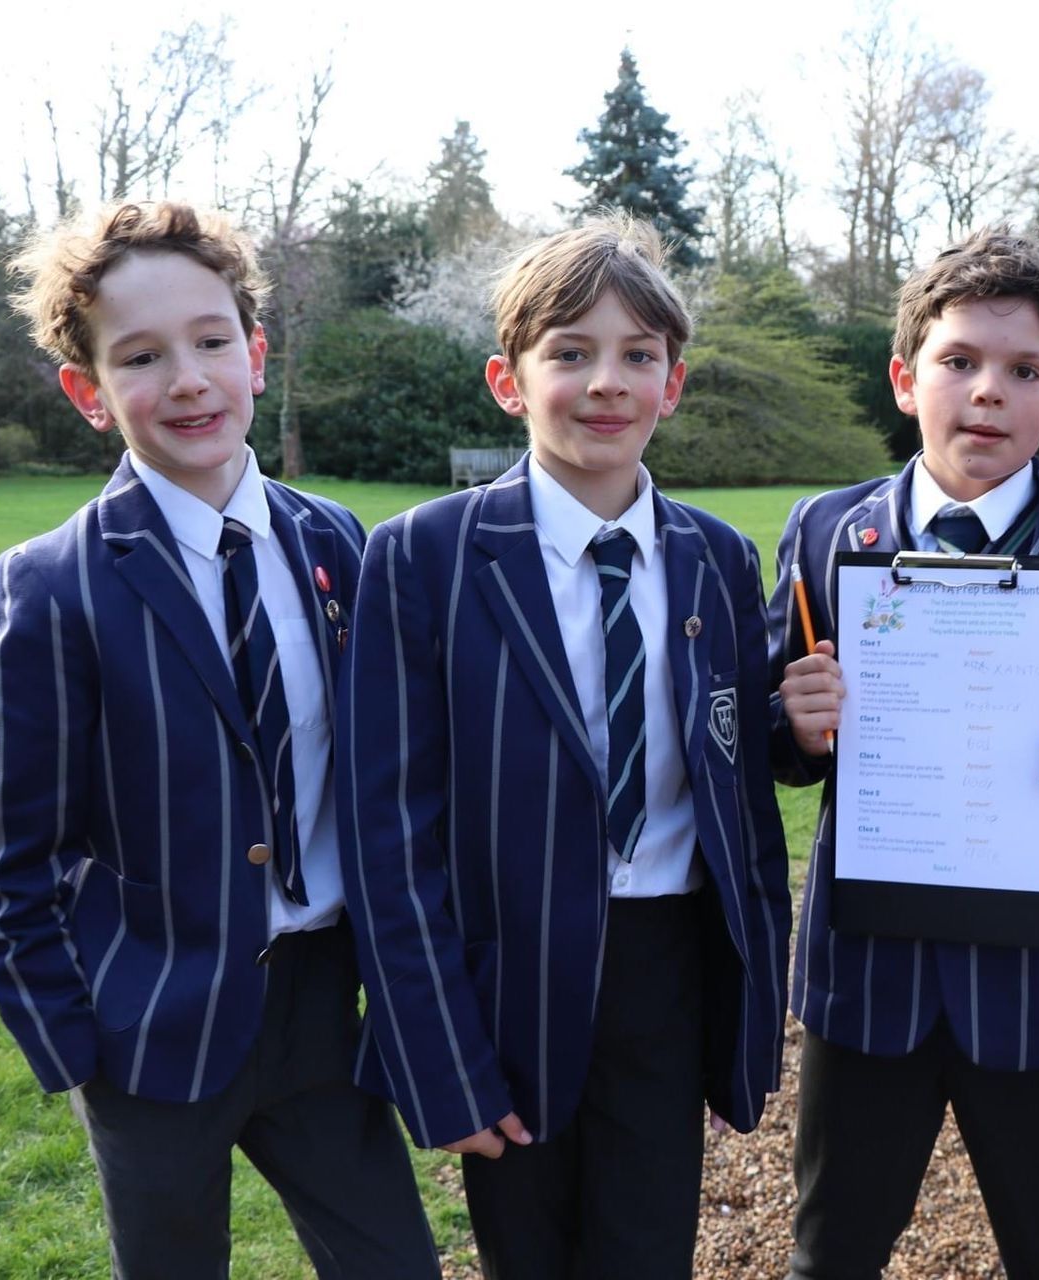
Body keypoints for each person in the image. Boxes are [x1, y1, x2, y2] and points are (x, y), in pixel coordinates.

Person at [0, 201, 438, 1278]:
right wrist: (76, 1047)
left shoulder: (335, 542)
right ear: (89, 393)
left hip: (322, 1011)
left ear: (256, 355)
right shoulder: (52, 586)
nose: (187, 378)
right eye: (141, 355)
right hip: (150, 1033)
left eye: (212, 340)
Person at [337, 213, 791, 1277]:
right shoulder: (425, 556)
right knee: (528, 1254)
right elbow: (388, 830)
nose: (607, 383)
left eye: (639, 355)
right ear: (509, 379)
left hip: (668, 974)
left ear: (672, 384)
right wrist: (440, 1058)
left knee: (646, 1255)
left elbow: (736, 784)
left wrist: (748, 1018)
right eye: (571, 353)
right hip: (509, 983)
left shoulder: (719, 558)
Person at [772, 227, 1039, 1280]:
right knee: (830, 1252)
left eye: (1023, 372)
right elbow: (781, 755)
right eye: (959, 361)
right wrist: (794, 720)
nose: (986, 393)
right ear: (904, 376)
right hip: (869, 980)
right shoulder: (829, 532)